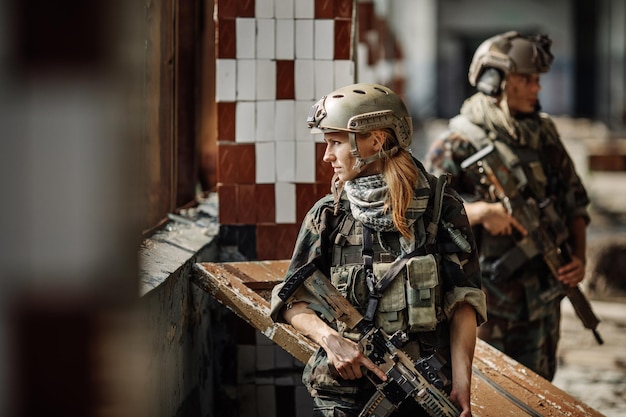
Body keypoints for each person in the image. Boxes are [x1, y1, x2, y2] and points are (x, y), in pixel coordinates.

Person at [270, 83, 486, 417]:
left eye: (336, 142)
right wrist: (330, 339)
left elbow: (464, 302)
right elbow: (289, 302)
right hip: (343, 399)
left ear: (376, 141)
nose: (327, 156)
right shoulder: (329, 215)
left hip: (421, 396)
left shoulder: (441, 208)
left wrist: (462, 385)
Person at [426, 31, 590, 381]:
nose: (537, 88)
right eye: (527, 79)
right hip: (488, 304)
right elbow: (426, 212)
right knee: (494, 392)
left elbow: (575, 200)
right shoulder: (457, 142)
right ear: (494, 81)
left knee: (542, 387)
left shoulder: (543, 135)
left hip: (544, 298)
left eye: (538, 80)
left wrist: (580, 256)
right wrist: (483, 213)